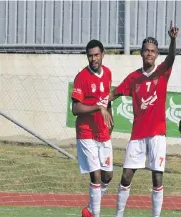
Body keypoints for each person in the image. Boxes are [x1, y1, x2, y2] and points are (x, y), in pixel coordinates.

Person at [108, 21, 178, 217]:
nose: (149, 54)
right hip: (138, 135)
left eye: (153, 51)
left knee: (157, 177)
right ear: (141, 53)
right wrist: (103, 104)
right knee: (126, 176)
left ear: (157, 55)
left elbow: (171, 58)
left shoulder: (163, 72)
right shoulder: (133, 78)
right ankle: (118, 214)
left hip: (157, 134)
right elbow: (114, 93)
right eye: (146, 50)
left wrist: (173, 41)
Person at [71, 39, 114, 217]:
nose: (94, 59)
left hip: (102, 131)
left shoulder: (108, 73)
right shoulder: (81, 77)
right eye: (90, 56)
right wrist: (98, 107)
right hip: (86, 132)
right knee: (95, 175)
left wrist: (110, 115)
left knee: (108, 175)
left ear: (103, 55)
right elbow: (75, 108)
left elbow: (107, 99)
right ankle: (95, 214)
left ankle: (89, 209)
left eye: (96, 55)